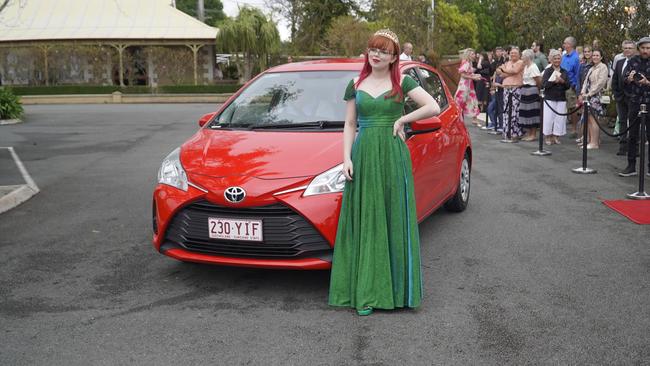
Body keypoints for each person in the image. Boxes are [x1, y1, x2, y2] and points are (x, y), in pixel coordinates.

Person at [329, 29, 440, 315]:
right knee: (367, 219)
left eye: (384, 51)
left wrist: (403, 118)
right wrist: (345, 159)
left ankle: (397, 292)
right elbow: (350, 124)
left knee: (392, 217)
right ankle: (366, 292)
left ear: (394, 57)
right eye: (372, 49)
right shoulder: (355, 83)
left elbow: (432, 106)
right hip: (363, 154)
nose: (376, 54)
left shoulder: (402, 81)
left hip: (392, 155)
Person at [619, 36, 650, 177]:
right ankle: (631, 166)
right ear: (639, 49)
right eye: (643, 48)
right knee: (633, 135)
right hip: (635, 102)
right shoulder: (632, 61)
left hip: (649, 102)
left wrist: (647, 82)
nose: (645, 51)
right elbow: (623, 79)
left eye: (648, 48)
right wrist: (629, 78)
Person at [578, 49, 608, 149]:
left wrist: (589, 94)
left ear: (601, 57)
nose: (595, 57)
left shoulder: (603, 67)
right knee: (588, 120)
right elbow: (585, 81)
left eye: (597, 55)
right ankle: (590, 140)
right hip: (588, 96)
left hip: (596, 96)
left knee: (593, 119)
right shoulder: (592, 68)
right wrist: (583, 93)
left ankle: (594, 143)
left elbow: (600, 83)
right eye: (594, 55)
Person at [611, 40, 637, 155]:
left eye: (630, 48)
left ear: (634, 49)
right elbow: (615, 80)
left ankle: (634, 148)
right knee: (622, 122)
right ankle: (622, 147)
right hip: (620, 98)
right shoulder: (620, 62)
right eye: (625, 48)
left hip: (633, 98)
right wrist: (616, 95)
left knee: (634, 123)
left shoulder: (638, 62)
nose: (627, 50)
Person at [542, 49, 570, 145]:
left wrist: (562, 81)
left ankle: (557, 136)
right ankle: (548, 136)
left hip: (561, 98)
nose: (557, 60)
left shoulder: (564, 71)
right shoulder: (548, 71)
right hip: (550, 97)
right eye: (555, 58)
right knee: (549, 118)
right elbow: (544, 85)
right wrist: (554, 81)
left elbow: (568, 85)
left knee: (560, 118)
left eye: (559, 58)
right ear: (551, 60)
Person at [496, 46, 525, 140]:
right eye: (511, 53)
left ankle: (515, 133)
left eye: (515, 53)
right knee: (506, 110)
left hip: (516, 88)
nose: (513, 54)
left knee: (514, 111)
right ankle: (507, 131)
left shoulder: (521, 62)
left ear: (519, 54)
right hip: (506, 89)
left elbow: (515, 71)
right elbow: (500, 73)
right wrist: (508, 72)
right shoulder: (508, 63)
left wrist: (504, 70)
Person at [454, 48, 482, 126]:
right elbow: (463, 75)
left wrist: (475, 75)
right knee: (460, 102)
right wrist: (473, 77)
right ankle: (457, 119)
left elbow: (468, 74)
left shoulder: (469, 63)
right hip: (464, 85)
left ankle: (474, 119)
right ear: (468, 55)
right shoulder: (465, 62)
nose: (474, 56)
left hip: (469, 85)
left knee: (472, 100)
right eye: (472, 54)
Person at [519, 49, 542, 141]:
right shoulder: (526, 67)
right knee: (526, 113)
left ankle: (533, 134)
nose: (521, 58)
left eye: (523, 56)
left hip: (532, 91)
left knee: (533, 113)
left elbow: (538, 81)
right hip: (525, 90)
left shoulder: (533, 67)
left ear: (527, 57)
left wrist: (539, 90)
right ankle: (529, 133)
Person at [561, 37, 582, 137]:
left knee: (573, 108)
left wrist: (577, 87)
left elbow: (578, 73)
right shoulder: (564, 56)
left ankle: (574, 129)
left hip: (571, 86)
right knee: (565, 107)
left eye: (565, 43)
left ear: (570, 45)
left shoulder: (576, 58)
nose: (564, 45)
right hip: (562, 84)